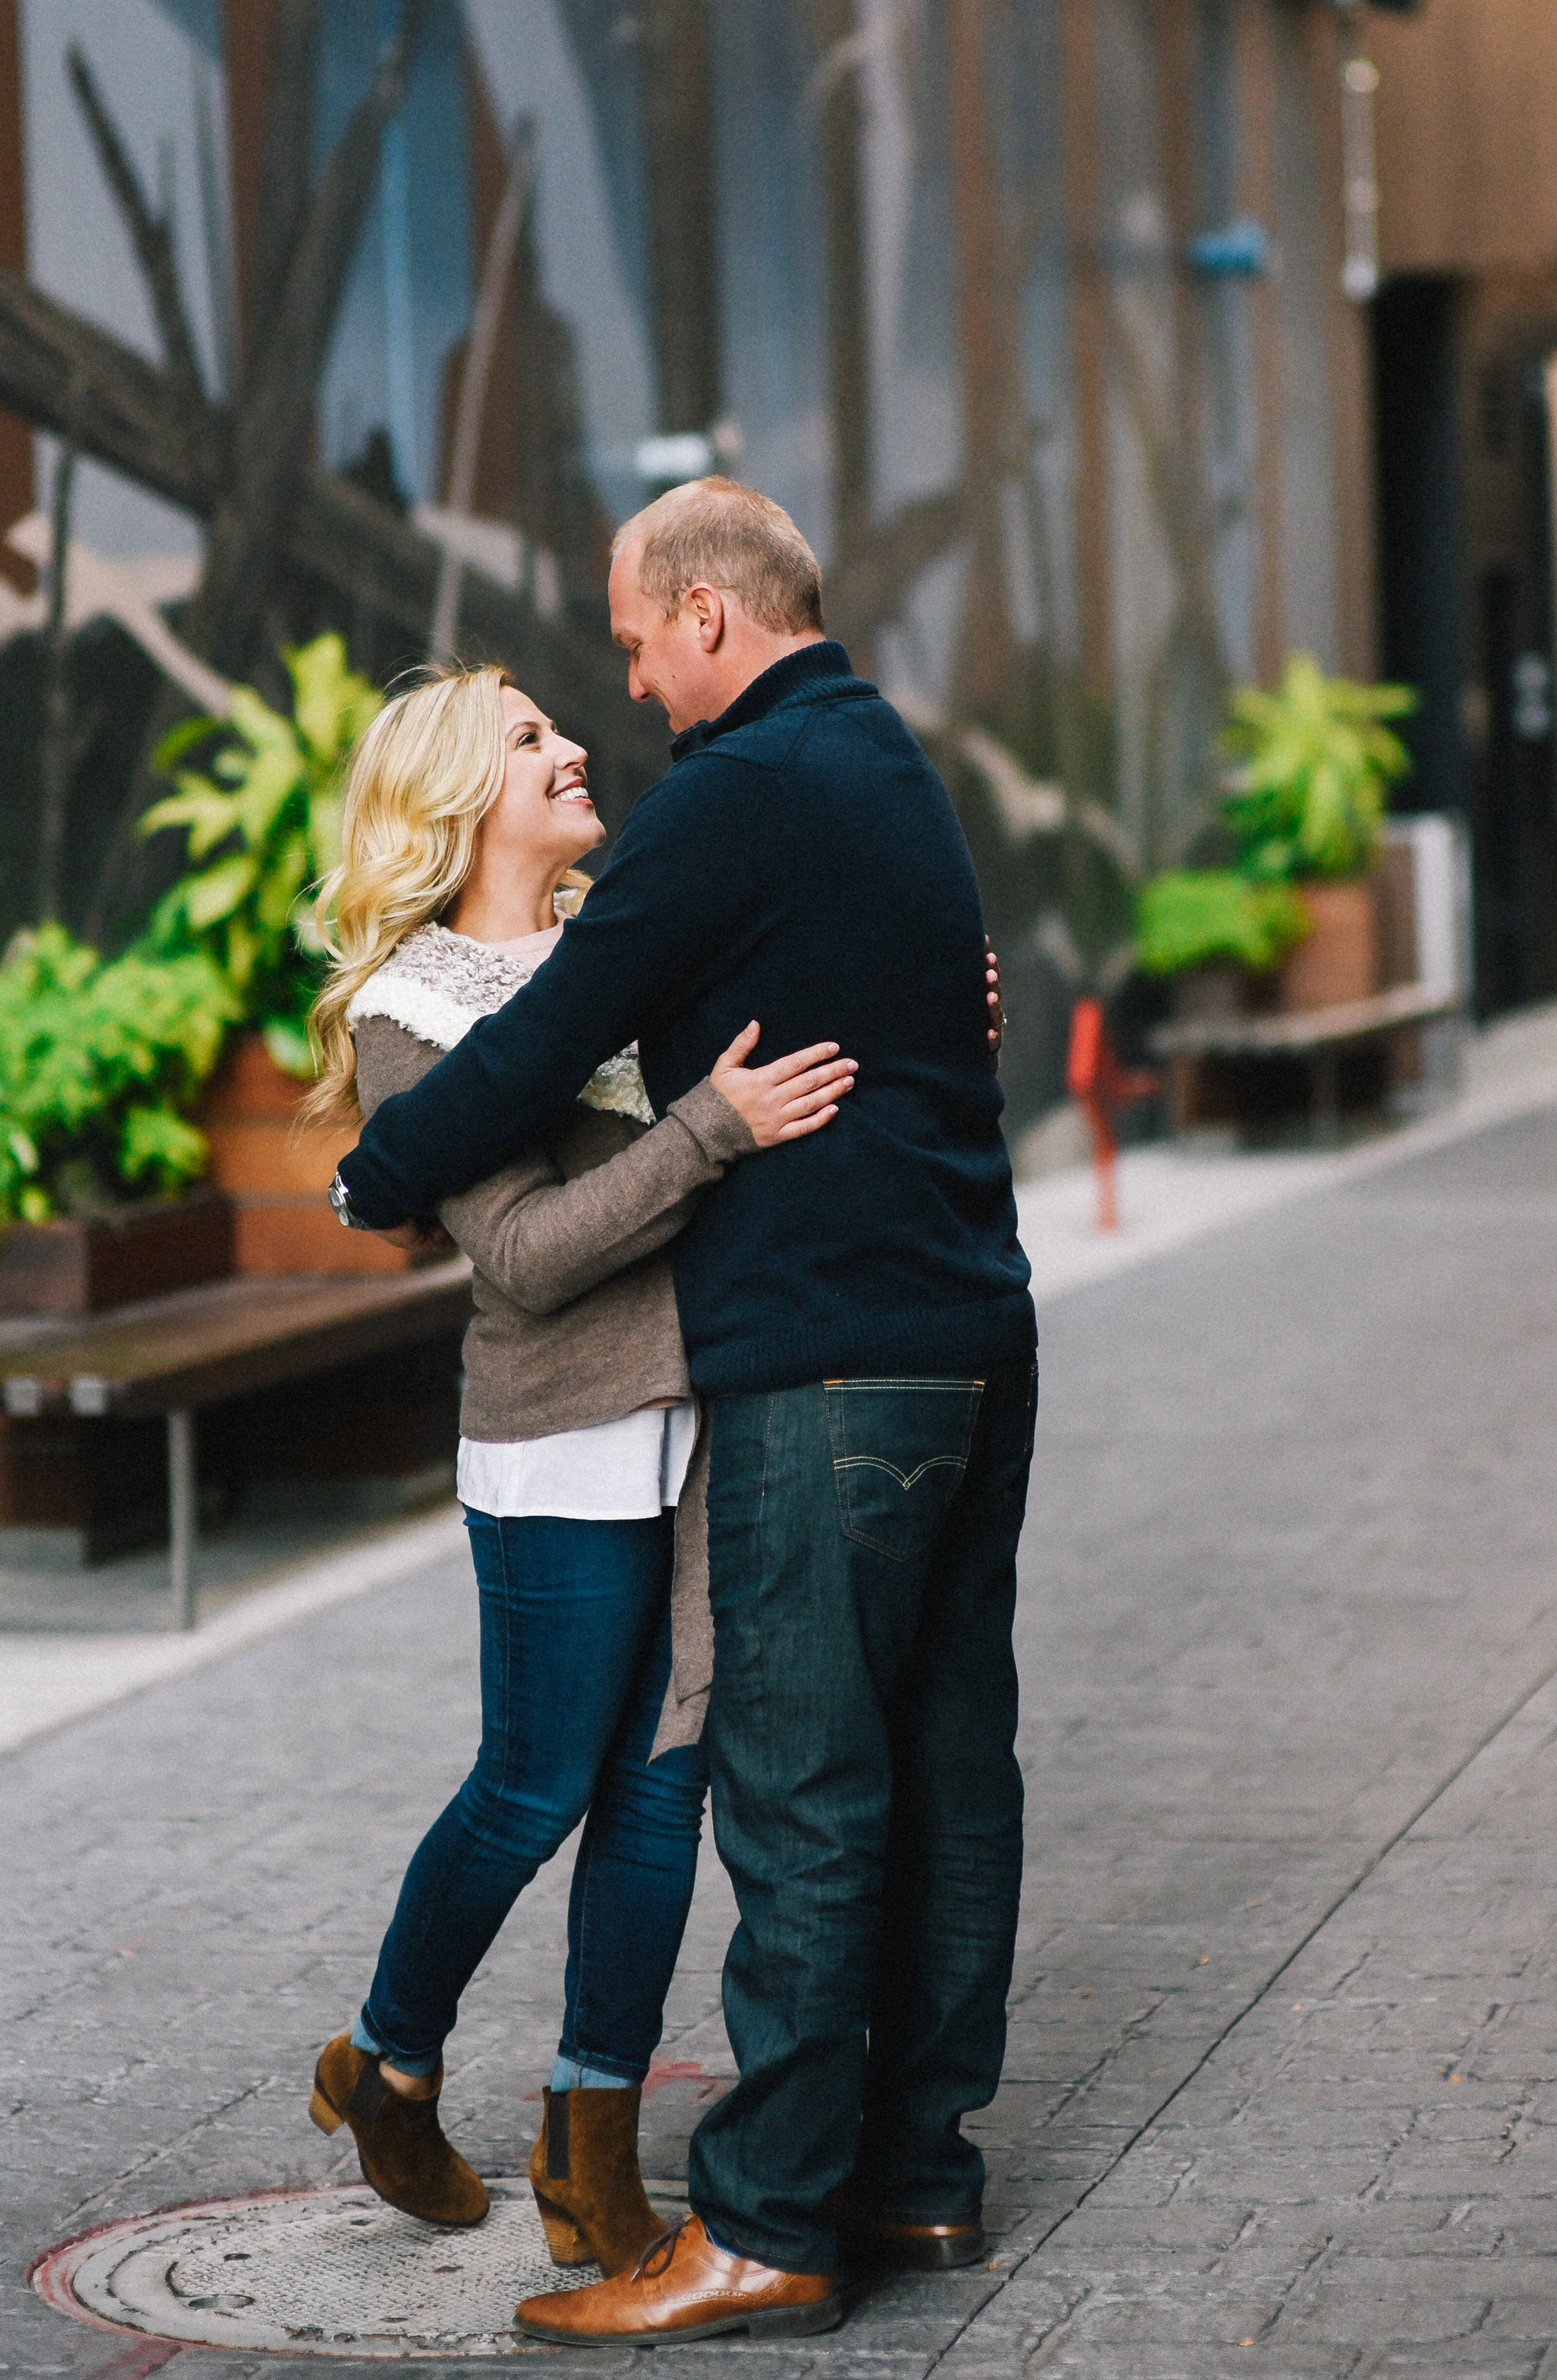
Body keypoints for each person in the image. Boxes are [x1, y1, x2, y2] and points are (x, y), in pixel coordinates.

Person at [333, 480, 1037, 2349]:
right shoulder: (884, 760)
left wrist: (376, 1169)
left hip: (820, 1360)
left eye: (636, 643)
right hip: (968, 1324)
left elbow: (542, 1051)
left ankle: (768, 2225)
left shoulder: (728, 797)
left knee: (795, 1787)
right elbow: (909, 1005)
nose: (627, 689)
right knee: (945, 1765)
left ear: (711, 615)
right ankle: (915, 2174)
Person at [302, 659, 856, 2281]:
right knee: (538, 1782)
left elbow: (792, 1025)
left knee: (660, 1784)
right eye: (530, 736)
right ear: (458, 796)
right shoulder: (415, 1013)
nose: (570, 747)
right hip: (556, 1438)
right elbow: (529, 1256)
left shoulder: (623, 941)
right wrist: (706, 1133)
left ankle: (586, 2141)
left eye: (559, 723)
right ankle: (385, 2060)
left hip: (698, 1419)